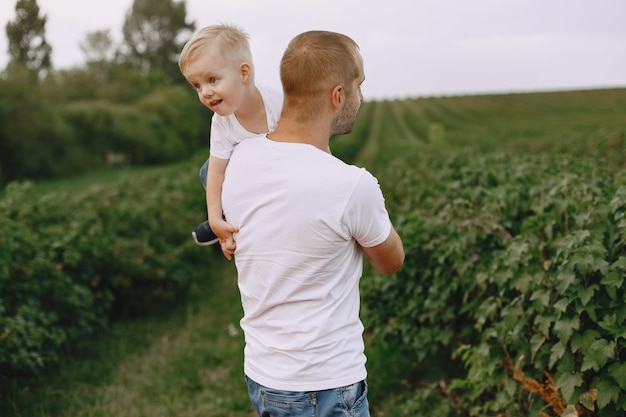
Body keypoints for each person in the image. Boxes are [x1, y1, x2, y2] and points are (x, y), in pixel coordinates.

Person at [221, 30, 405, 417]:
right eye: (359, 86)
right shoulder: (351, 185)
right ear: (337, 96)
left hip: (264, 376)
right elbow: (390, 261)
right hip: (326, 386)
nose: (361, 96)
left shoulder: (239, 160)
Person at [178, 24, 283, 253]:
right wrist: (215, 219)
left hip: (277, 168)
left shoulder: (278, 104)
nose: (205, 91)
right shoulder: (221, 121)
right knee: (208, 170)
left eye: (212, 80)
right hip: (247, 181)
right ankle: (225, 218)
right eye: (197, 86)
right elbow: (217, 173)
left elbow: (309, 142)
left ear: (243, 73)